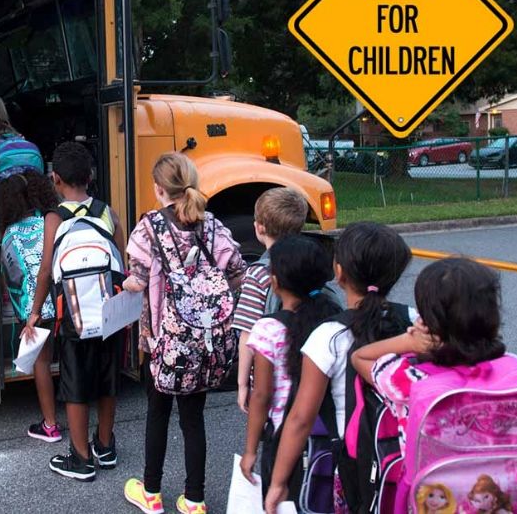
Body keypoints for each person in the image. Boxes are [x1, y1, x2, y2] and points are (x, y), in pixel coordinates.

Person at [122, 152, 246, 514]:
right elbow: (237, 272)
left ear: (158, 188)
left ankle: (151, 493)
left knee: (157, 412)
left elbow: (137, 279)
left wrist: (128, 285)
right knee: (193, 419)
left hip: (164, 341)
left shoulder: (148, 228)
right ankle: (195, 500)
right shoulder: (213, 225)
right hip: (207, 341)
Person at [264, 222, 413, 514]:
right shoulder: (414, 321)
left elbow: (300, 419)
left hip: (355, 462)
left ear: (340, 272)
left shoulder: (329, 336)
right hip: (410, 454)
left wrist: (278, 482)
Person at [24, 141, 125, 482]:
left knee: (76, 383)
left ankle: (81, 459)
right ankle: (105, 446)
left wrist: (35, 313)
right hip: (110, 312)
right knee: (108, 380)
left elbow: (45, 270)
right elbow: (121, 260)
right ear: (91, 176)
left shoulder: (54, 217)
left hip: (74, 316)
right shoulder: (107, 212)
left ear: (55, 179)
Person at [350, 257, 506, 451]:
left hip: (432, 481)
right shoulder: (515, 370)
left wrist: (410, 342)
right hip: (505, 480)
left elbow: (360, 357)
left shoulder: (410, 381)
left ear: (426, 322)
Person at [238, 235, 342, 501]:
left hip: (285, 438)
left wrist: (251, 450)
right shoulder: (334, 320)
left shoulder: (269, 328)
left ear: (275, 282)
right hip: (331, 434)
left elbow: (261, 395)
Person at [0, 99, 63, 443]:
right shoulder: (50, 220)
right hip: (66, 300)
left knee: (40, 362)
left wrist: (30, 314)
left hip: (36, 307)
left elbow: (14, 278)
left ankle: (50, 424)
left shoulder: (7, 235)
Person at [232, 188, 310, 414]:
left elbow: (248, 334)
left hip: (272, 375)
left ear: (259, 227)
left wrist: (243, 384)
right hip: (308, 366)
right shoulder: (310, 263)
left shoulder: (257, 274)